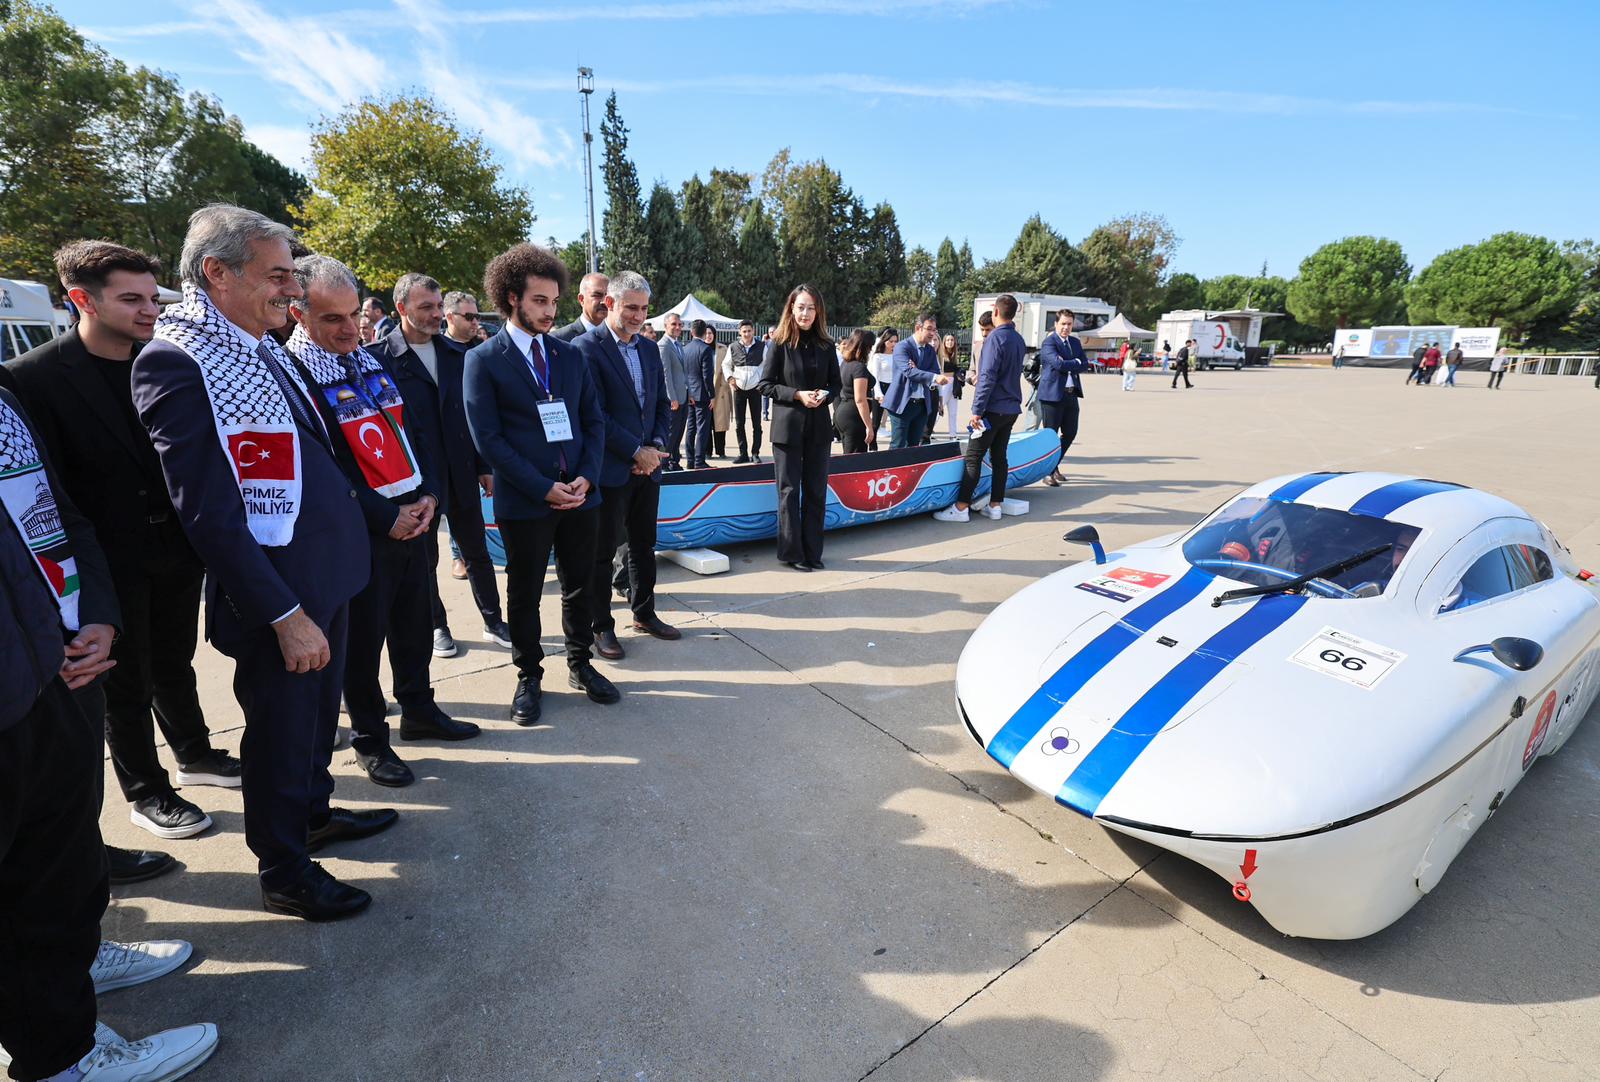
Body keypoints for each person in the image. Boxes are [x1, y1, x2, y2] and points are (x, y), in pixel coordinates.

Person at [132, 204, 383, 921]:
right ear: (217, 272)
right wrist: (284, 615)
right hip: (281, 598)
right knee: (278, 735)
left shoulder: (258, 345)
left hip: (323, 577)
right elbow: (208, 513)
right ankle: (284, 871)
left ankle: (313, 817)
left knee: (310, 727)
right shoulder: (178, 362)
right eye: (276, 277)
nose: (290, 293)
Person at [0, 378, 222, 1082]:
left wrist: (95, 610)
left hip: (58, 666)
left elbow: (55, 508)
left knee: (57, 861)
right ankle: (61, 1057)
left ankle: (79, 965)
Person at [7, 241, 240, 859]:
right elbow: (44, 493)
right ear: (81, 300)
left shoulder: (166, 360)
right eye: (130, 298)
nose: (148, 310)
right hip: (102, 562)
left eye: (152, 297)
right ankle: (145, 791)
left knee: (175, 658)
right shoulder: (30, 379)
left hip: (175, 547)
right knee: (124, 682)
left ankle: (195, 754)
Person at [287, 258, 480, 792]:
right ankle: (370, 739)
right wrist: (386, 516)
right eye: (333, 319)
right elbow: (325, 472)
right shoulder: (295, 374)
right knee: (362, 644)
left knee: (416, 624)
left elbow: (410, 434)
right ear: (298, 314)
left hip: (413, 521)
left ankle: (419, 709)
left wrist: (428, 496)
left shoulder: (368, 362)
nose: (351, 328)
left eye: (354, 314)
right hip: (362, 534)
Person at [464, 243, 617, 726]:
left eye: (554, 302)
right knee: (525, 592)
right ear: (512, 298)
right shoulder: (484, 359)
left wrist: (586, 477)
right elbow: (488, 439)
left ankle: (579, 664)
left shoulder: (569, 357)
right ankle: (528, 674)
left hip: (579, 495)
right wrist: (541, 487)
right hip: (525, 501)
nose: (550, 312)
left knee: (581, 586)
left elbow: (594, 421)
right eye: (539, 302)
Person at [369, 277, 513, 661]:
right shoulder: (378, 358)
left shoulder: (459, 353)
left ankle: (494, 620)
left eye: (437, 306)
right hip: (415, 482)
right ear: (401, 309)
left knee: (477, 553)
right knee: (425, 559)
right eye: (426, 308)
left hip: (462, 471)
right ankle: (437, 624)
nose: (436, 314)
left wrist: (484, 465)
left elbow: (474, 415)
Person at [571, 271, 678, 662]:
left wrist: (655, 449)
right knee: (602, 554)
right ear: (609, 304)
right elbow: (594, 414)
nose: (638, 315)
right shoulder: (585, 348)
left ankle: (644, 613)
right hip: (611, 470)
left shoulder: (650, 349)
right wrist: (635, 452)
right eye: (631, 307)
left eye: (644, 308)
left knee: (643, 545)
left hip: (648, 469)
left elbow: (662, 406)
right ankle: (602, 627)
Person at [759, 285, 841, 571]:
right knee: (790, 491)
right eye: (800, 307)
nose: (805, 313)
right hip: (787, 428)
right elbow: (765, 385)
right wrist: (797, 395)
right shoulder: (779, 343)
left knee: (817, 490)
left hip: (818, 428)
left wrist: (825, 395)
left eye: (810, 308)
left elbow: (836, 384)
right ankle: (792, 553)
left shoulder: (827, 345)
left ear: (818, 311)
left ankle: (812, 552)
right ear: (791, 309)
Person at [934, 293, 1024, 523]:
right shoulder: (1018, 339)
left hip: (992, 408)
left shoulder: (994, 339)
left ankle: (961, 507)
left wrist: (976, 410)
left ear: (995, 311)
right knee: (1000, 457)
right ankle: (996, 504)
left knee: (973, 456)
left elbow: (987, 377)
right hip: (1011, 407)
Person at [1037, 310, 1089, 486]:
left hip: (1071, 393)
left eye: (1069, 324)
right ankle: (1047, 472)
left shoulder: (1074, 342)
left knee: (1070, 433)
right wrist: (1074, 362)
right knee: (1051, 436)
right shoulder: (1049, 342)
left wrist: (1072, 363)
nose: (1066, 327)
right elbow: (1057, 364)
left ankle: (1054, 465)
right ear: (1056, 324)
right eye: (1063, 324)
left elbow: (1085, 364)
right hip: (1052, 396)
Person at [882, 314, 947, 448]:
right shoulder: (902, 347)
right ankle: (892, 469)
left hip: (922, 405)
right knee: (898, 445)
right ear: (918, 328)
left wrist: (919, 370)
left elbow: (934, 370)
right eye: (929, 329)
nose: (932, 333)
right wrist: (931, 376)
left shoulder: (930, 350)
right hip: (902, 403)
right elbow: (909, 372)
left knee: (914, 446)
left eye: (934, 330)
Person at [724, 319, 764, 463]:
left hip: (756, 389)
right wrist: (730, 378)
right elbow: (726, 364)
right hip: (738, 389)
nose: (747, 334)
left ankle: (755, 453)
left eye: (749, 331)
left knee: (756, 423)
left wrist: (762, 382)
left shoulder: (761, 346)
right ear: (739, 332)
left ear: (753, 331)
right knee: (739, 423)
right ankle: (743, 453)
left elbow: (766, 366)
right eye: (744, 331)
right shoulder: (733, 347)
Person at [834, 328, 876, 454]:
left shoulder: (846, 363)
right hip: (854, 416)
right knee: (855, 458)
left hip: (844, 411)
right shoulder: (859, 367)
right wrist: (869, 426)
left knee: (849, 454)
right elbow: (860, 399)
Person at [682, 320, 717, 470]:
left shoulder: (685, 348)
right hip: (702, 394)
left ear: (691, 332)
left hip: (689, 393)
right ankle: (699, 461)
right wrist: (712, 395)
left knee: (690, 428)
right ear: (704, 333)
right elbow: (707, 376)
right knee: (702, 428)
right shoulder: (706, 349)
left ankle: (690, 459)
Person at [658, 313, 689, 470]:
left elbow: (682, 372)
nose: (677, 327)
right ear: (665, 326)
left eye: (679, 324)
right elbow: (665, 374)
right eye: (674, 324)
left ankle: (673, 460)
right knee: (670, 433)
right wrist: (672, 398)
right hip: (674, 399)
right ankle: (664, 462)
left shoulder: (678, 345)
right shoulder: (663, 346)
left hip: (683, 396)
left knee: (678, 432)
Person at [552, 271, 609, 342]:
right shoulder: (558, 339)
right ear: (581, 299)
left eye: (608, 296)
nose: (604, 301)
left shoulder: (620, 338)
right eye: (597, 295)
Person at [866, 327, 897, 448]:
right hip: (880, 388)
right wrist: (879, 394)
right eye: (891, 341)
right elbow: (875, 377)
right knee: (876, 421)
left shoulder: (897, 355)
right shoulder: (878, 356)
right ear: (884, 341)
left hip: (893, 388)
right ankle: (872, 447)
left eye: (895, 341)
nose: (893, 344)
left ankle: (895, 446)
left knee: (896, 420)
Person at [938, 332, 962, 438]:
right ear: (944, 342)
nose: (950, 342)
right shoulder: (940, 354)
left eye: (952, 340)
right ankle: (926, 433)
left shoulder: (955, 354)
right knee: (939, 409)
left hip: (954, 385)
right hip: (944, 384)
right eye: (947, 340)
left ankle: (953, 434)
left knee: (953, 412)